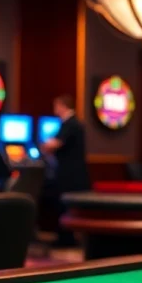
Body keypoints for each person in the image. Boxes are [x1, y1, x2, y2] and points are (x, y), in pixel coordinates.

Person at [41, 95, 91, 245]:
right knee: (63, 205)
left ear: (62, 106)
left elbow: (54, 144)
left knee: (64, 206)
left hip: (70, 175)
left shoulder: (70, 123)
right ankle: (65, 238)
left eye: (56, 106)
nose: (55, 109)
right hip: (74, 173)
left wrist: (43, 145)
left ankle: (65, 240)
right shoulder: (73, 122)